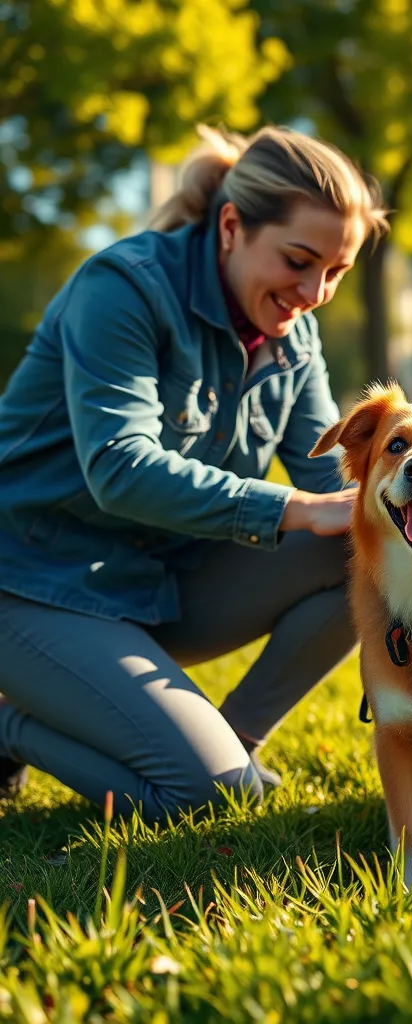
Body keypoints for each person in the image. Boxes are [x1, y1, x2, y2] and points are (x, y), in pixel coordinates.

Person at [0, 124, 388, 823]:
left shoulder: (294, 334)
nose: (314, 292)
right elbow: (119, 468)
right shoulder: (122, 288)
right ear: (232, 227)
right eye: (299, 261)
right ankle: (8, 724)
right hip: (30, 582)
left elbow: (335, 483)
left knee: (365, 540)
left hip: (153, 585)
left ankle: (234, 745)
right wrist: (295, 509)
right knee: (203, 795)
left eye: (336, 272)